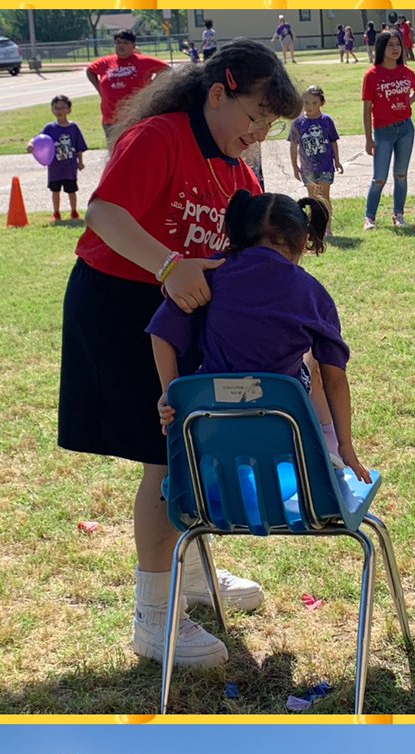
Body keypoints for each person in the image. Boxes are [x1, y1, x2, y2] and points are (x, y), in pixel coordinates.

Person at [58, 42, 301, 668]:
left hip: (185, 315)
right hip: (120, 306)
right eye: (252, 117)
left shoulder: (239, 169)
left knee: (193, 448)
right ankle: (155, 621)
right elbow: (104, 214)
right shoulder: (160, 137)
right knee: (165, 458)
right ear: (218, 93)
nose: (257, 135)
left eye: (268, 127)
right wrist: (168, 266)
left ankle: (191, 575)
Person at [150, 190, 369, 488]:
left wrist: (170, 392)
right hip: (281, 429)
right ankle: (330, 449)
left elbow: (161, 332)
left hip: (210, 422)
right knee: (316, 361)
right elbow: (335, 378)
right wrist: (347, 446)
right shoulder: (311, 292)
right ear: (303, 240)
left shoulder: (211, 271)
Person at [362, 30, 415, 230]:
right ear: (381, 48)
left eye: (398, 44)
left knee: (401, 175)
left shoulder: (406, 71)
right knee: (379, 177)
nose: (395, 48)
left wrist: (408, 102)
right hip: (383, 131)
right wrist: (368, 139)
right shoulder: (372, 75)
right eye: (390, 45)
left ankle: (398, 215)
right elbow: (366, 109)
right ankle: (369, 218)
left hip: (405, 128)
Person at [85, 30, 168, 143]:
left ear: (133, 45)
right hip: (111, 120)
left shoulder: (144, 61)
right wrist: (100, 90)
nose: (121, 46)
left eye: (125, 43)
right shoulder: (106, 62)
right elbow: (90, 70)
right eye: (118, 43)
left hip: (135, 118)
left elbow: (166, 70)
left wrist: (151, 87)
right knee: (115, 153)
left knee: (137, 151)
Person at [288, 86, 343, 235]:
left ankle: (327, 228)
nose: (310, 106)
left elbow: (333, 141)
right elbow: (293, 146)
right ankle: (314, 228)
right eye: (306, 103)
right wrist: (295, 167)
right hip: (308, 168)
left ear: (321, 103)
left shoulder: (326, 120)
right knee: (312, 198)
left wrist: (337, 161)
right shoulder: (298, 123)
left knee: (324, 197)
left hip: (325, 165)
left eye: (314, 103)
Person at [38, 95, 88, 222]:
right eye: (56, 108)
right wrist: (31, 146)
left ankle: (74, 212)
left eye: (63, 107)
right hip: (55, 167)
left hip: (70, 167)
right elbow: (39, 141)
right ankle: (56, 213)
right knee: (55, 191)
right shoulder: (49, 128)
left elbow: (78, 147)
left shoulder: (73, 127)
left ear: (69, 110)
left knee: (71, 190)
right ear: (52, 110)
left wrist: (80, 162)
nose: (59, 111)